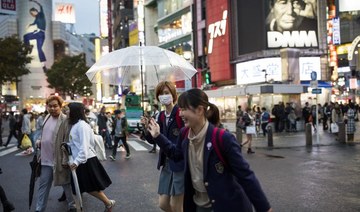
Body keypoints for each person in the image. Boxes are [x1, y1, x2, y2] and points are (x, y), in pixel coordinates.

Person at [147, 88, 272, 212]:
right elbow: (176, 154)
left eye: (184, 109)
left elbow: (245, 176)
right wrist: (158, 136)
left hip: (226, 206)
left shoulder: (223, 138)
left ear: (200, 110)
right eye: (180, 109)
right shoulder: (184, 133)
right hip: (199, 206)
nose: (180, 113)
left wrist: (265, 208)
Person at [141, 81, 185, 212]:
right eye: (161, 94)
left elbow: (181, 144)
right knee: (163, 204)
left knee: (177, 206)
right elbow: (152, 140)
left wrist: (158, 136)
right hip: (166, 164)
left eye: (167, 93)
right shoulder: (159, 115)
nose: (163, 96)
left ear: (173, 95)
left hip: (179, 164)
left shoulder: (180, 114)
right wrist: (146, 127)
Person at [67, 102, 115, 212]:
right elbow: (77, 144)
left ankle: (108, 203)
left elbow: (84, 146)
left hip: (85, 160)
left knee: (88, 187)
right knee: (81, 187)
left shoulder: (81, 126)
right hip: (82, 160)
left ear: (74, 111)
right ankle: (107, 203)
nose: (67, 112)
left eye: (68, 110)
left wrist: (76, 162)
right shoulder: (76, 125)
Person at [34, 95, 76, 212]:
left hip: (58, 159)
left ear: (60, 106)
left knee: (66, 184)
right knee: (43, 185)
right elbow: (44, 135)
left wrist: (65, 159)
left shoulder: (65, 120)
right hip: (45, 159)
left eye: (55, 106)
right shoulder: (47, 117)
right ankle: (39, 209)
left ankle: (73, 206)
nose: (52, 109)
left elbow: (67, 141)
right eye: (50, 106)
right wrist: (39, 141)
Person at [23, 0, 47, 71]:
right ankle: (44, 66)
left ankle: (29, 46)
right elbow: (34, 23)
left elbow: (41, 6)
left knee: (26, 37)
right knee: (26, 37)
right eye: (31, 14)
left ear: (35, 11)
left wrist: (34, 1)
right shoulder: (36, 18)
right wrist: (29, 25)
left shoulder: (41, 14)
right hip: (38, 34)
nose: (32, 14)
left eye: (32, 12)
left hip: (40, 34)